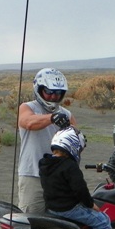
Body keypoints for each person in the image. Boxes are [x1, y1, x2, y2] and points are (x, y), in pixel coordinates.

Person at [17, 68, 76, 213]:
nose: (53, 97)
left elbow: (76, 141)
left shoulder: (66, 114)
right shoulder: (28, 107)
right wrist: (52, 118)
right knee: (30, 220)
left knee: (59, 224)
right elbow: (28, 122)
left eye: (58, 93)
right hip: (33, 174)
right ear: (39, 89)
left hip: (58, 178)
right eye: (49, 92)